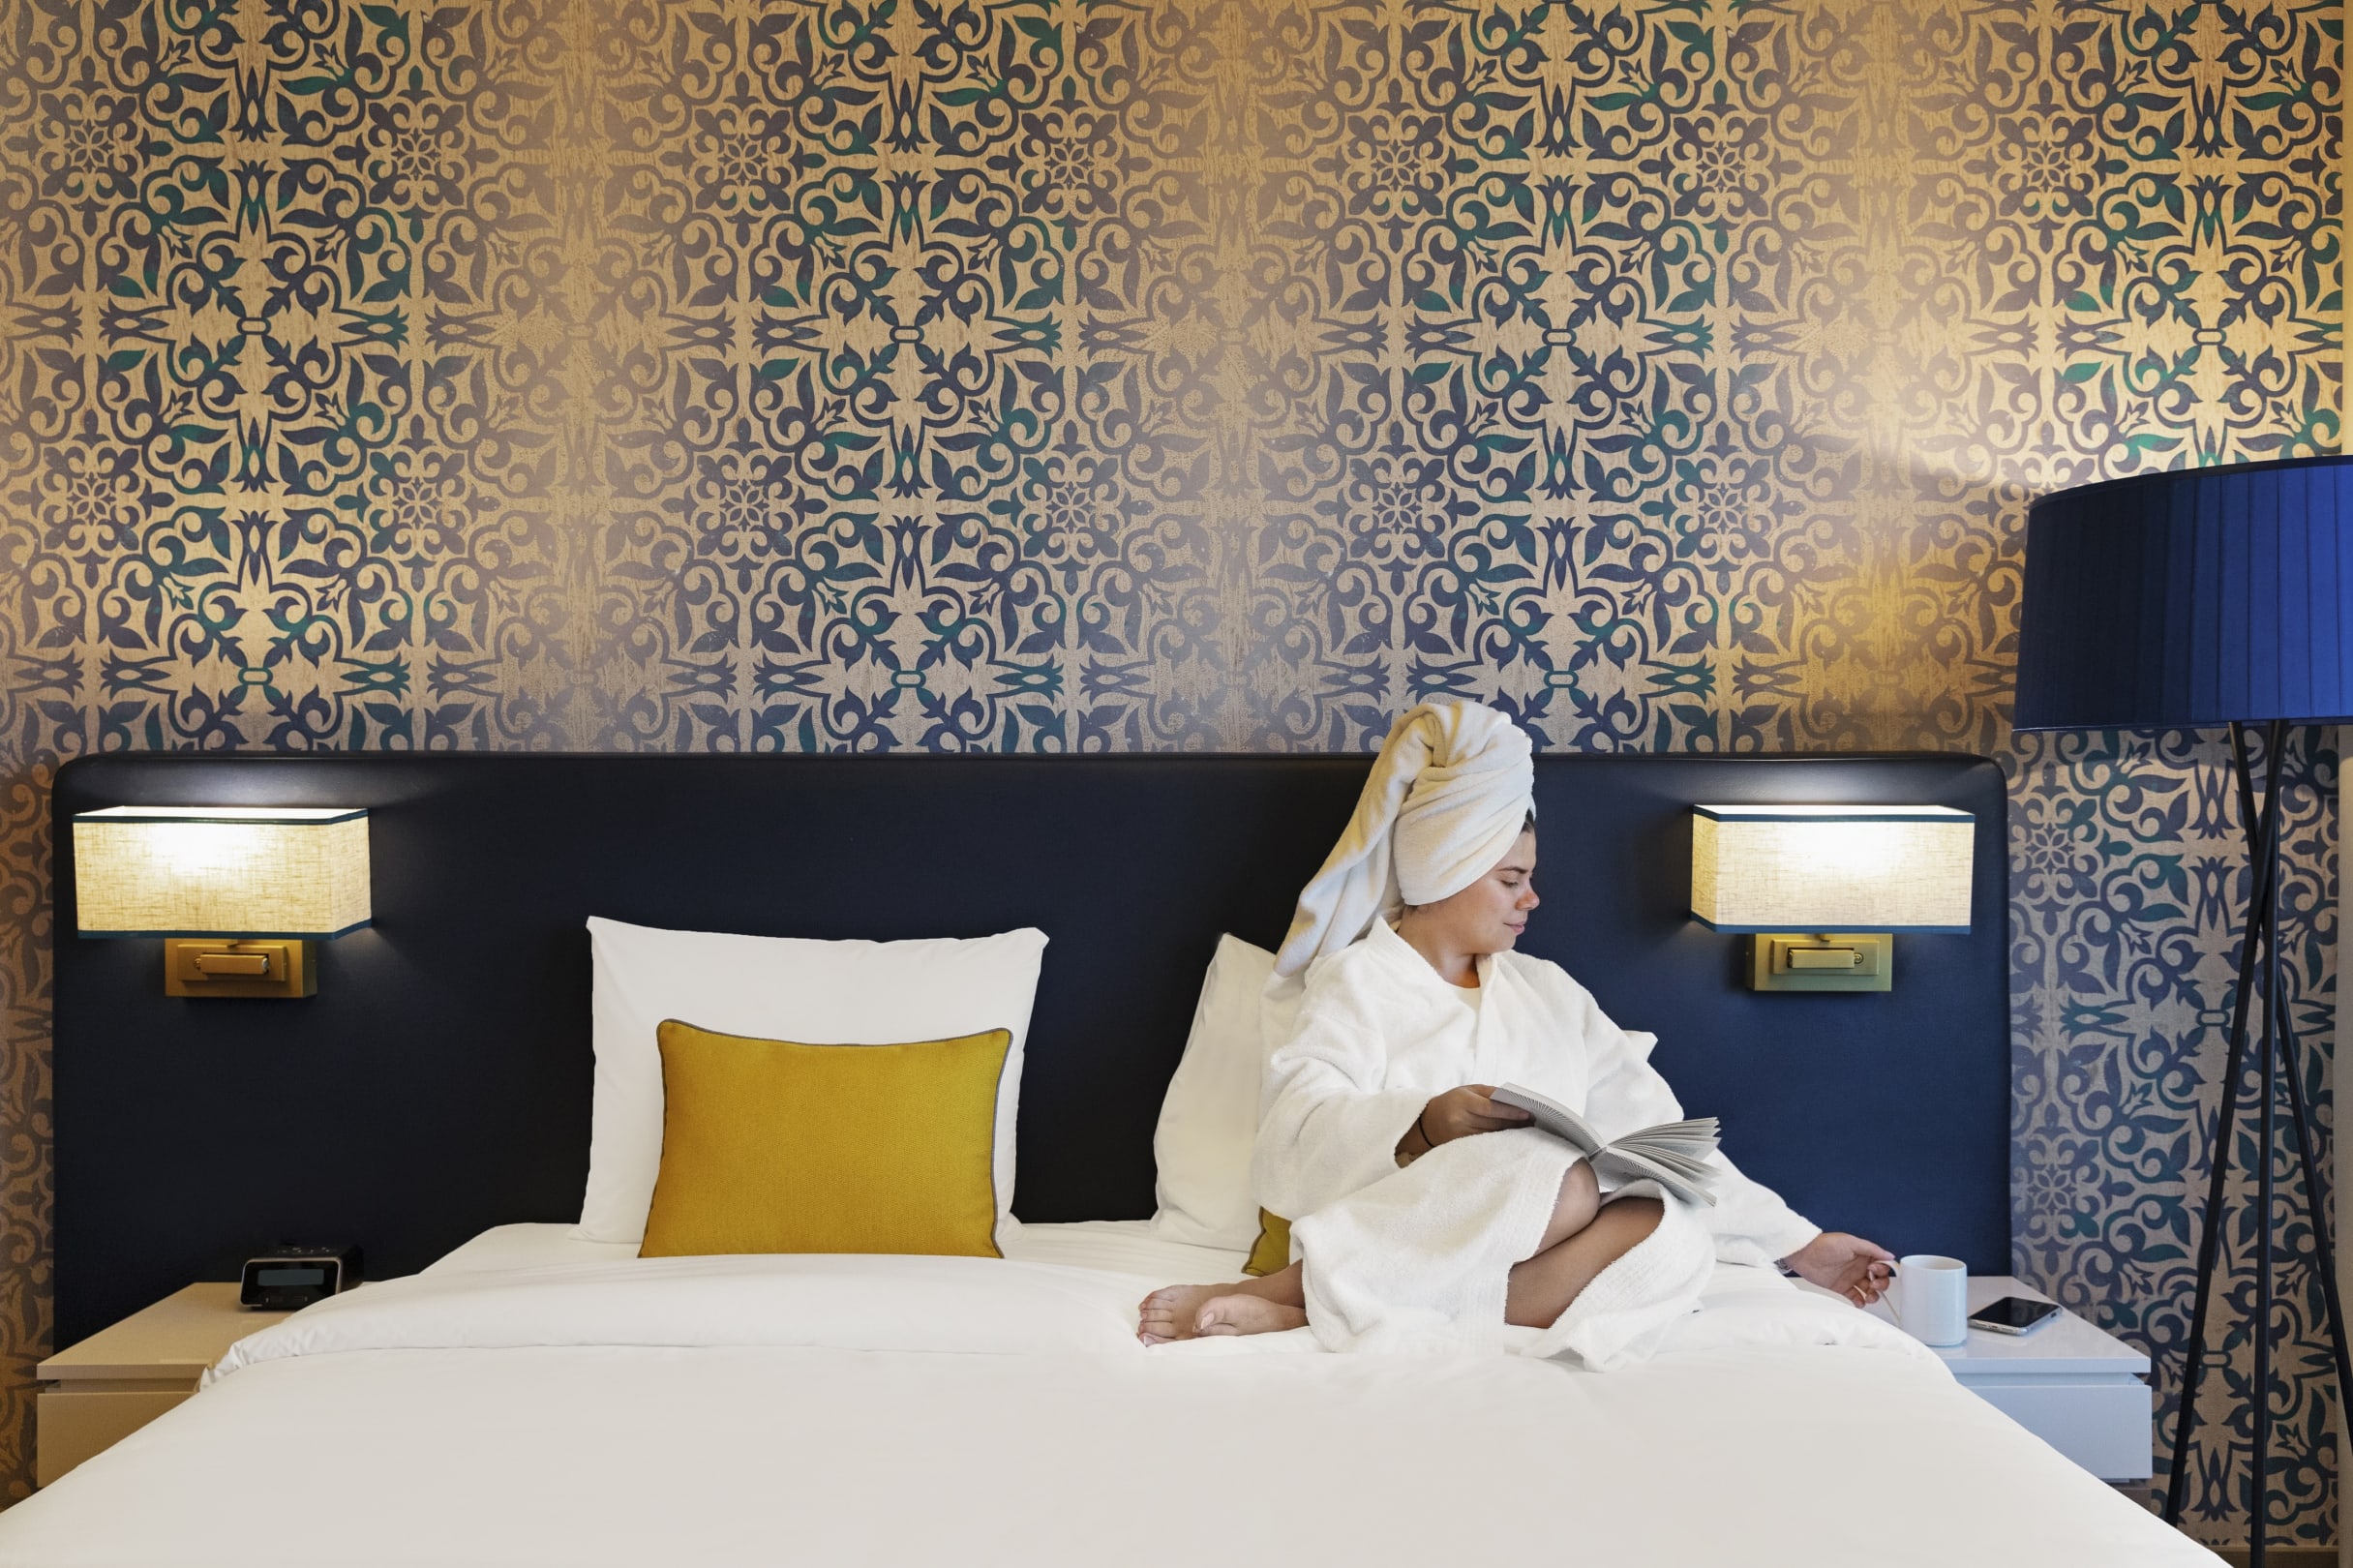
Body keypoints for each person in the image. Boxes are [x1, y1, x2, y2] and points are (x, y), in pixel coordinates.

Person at [1138, 701, 1894, 1365]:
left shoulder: (1549, 991)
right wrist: (1422, 1125)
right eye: (1509, 879)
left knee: (1669, 1222)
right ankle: (1289, 1288)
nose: (1531, 899)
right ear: (1443, 870)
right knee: (1550, 1176)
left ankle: (1323, 1307)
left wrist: (1800, 1245)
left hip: (1539, 1243)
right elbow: (1288, 1142)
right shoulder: (1357, 982)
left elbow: (1660, 1139)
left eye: (1528, 878)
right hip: (1424, 1222)